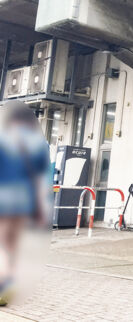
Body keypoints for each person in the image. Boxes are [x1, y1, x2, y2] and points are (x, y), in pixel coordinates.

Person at [0, 102, 49, 306]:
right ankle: (7, 287)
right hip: (24, 200)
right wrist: (40, 209)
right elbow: (41, 180)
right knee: (13, 244)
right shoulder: (39, 144)